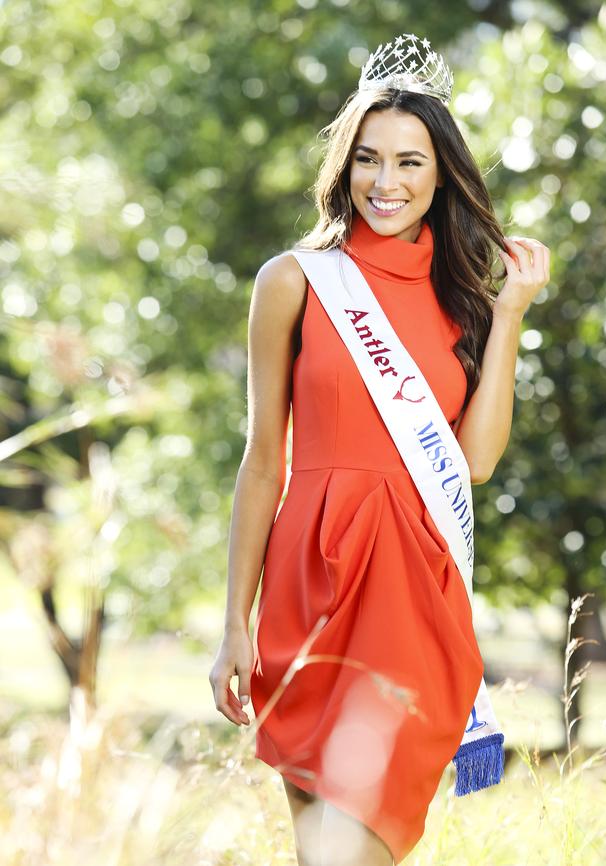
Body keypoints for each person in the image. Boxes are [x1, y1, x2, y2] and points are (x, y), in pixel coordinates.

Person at [209, 32, 550, 866]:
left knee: (357, 848)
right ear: (344, 167)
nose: (385, 183)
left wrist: (509, 318)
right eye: (368, 160)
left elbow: (473, 461)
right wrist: (233, 624)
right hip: (307, 584)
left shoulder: (465, 298)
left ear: (441, 176)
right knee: (318, 848)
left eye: (409, 163)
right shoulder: (293, 279)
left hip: (408, 586)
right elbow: (263, 462)